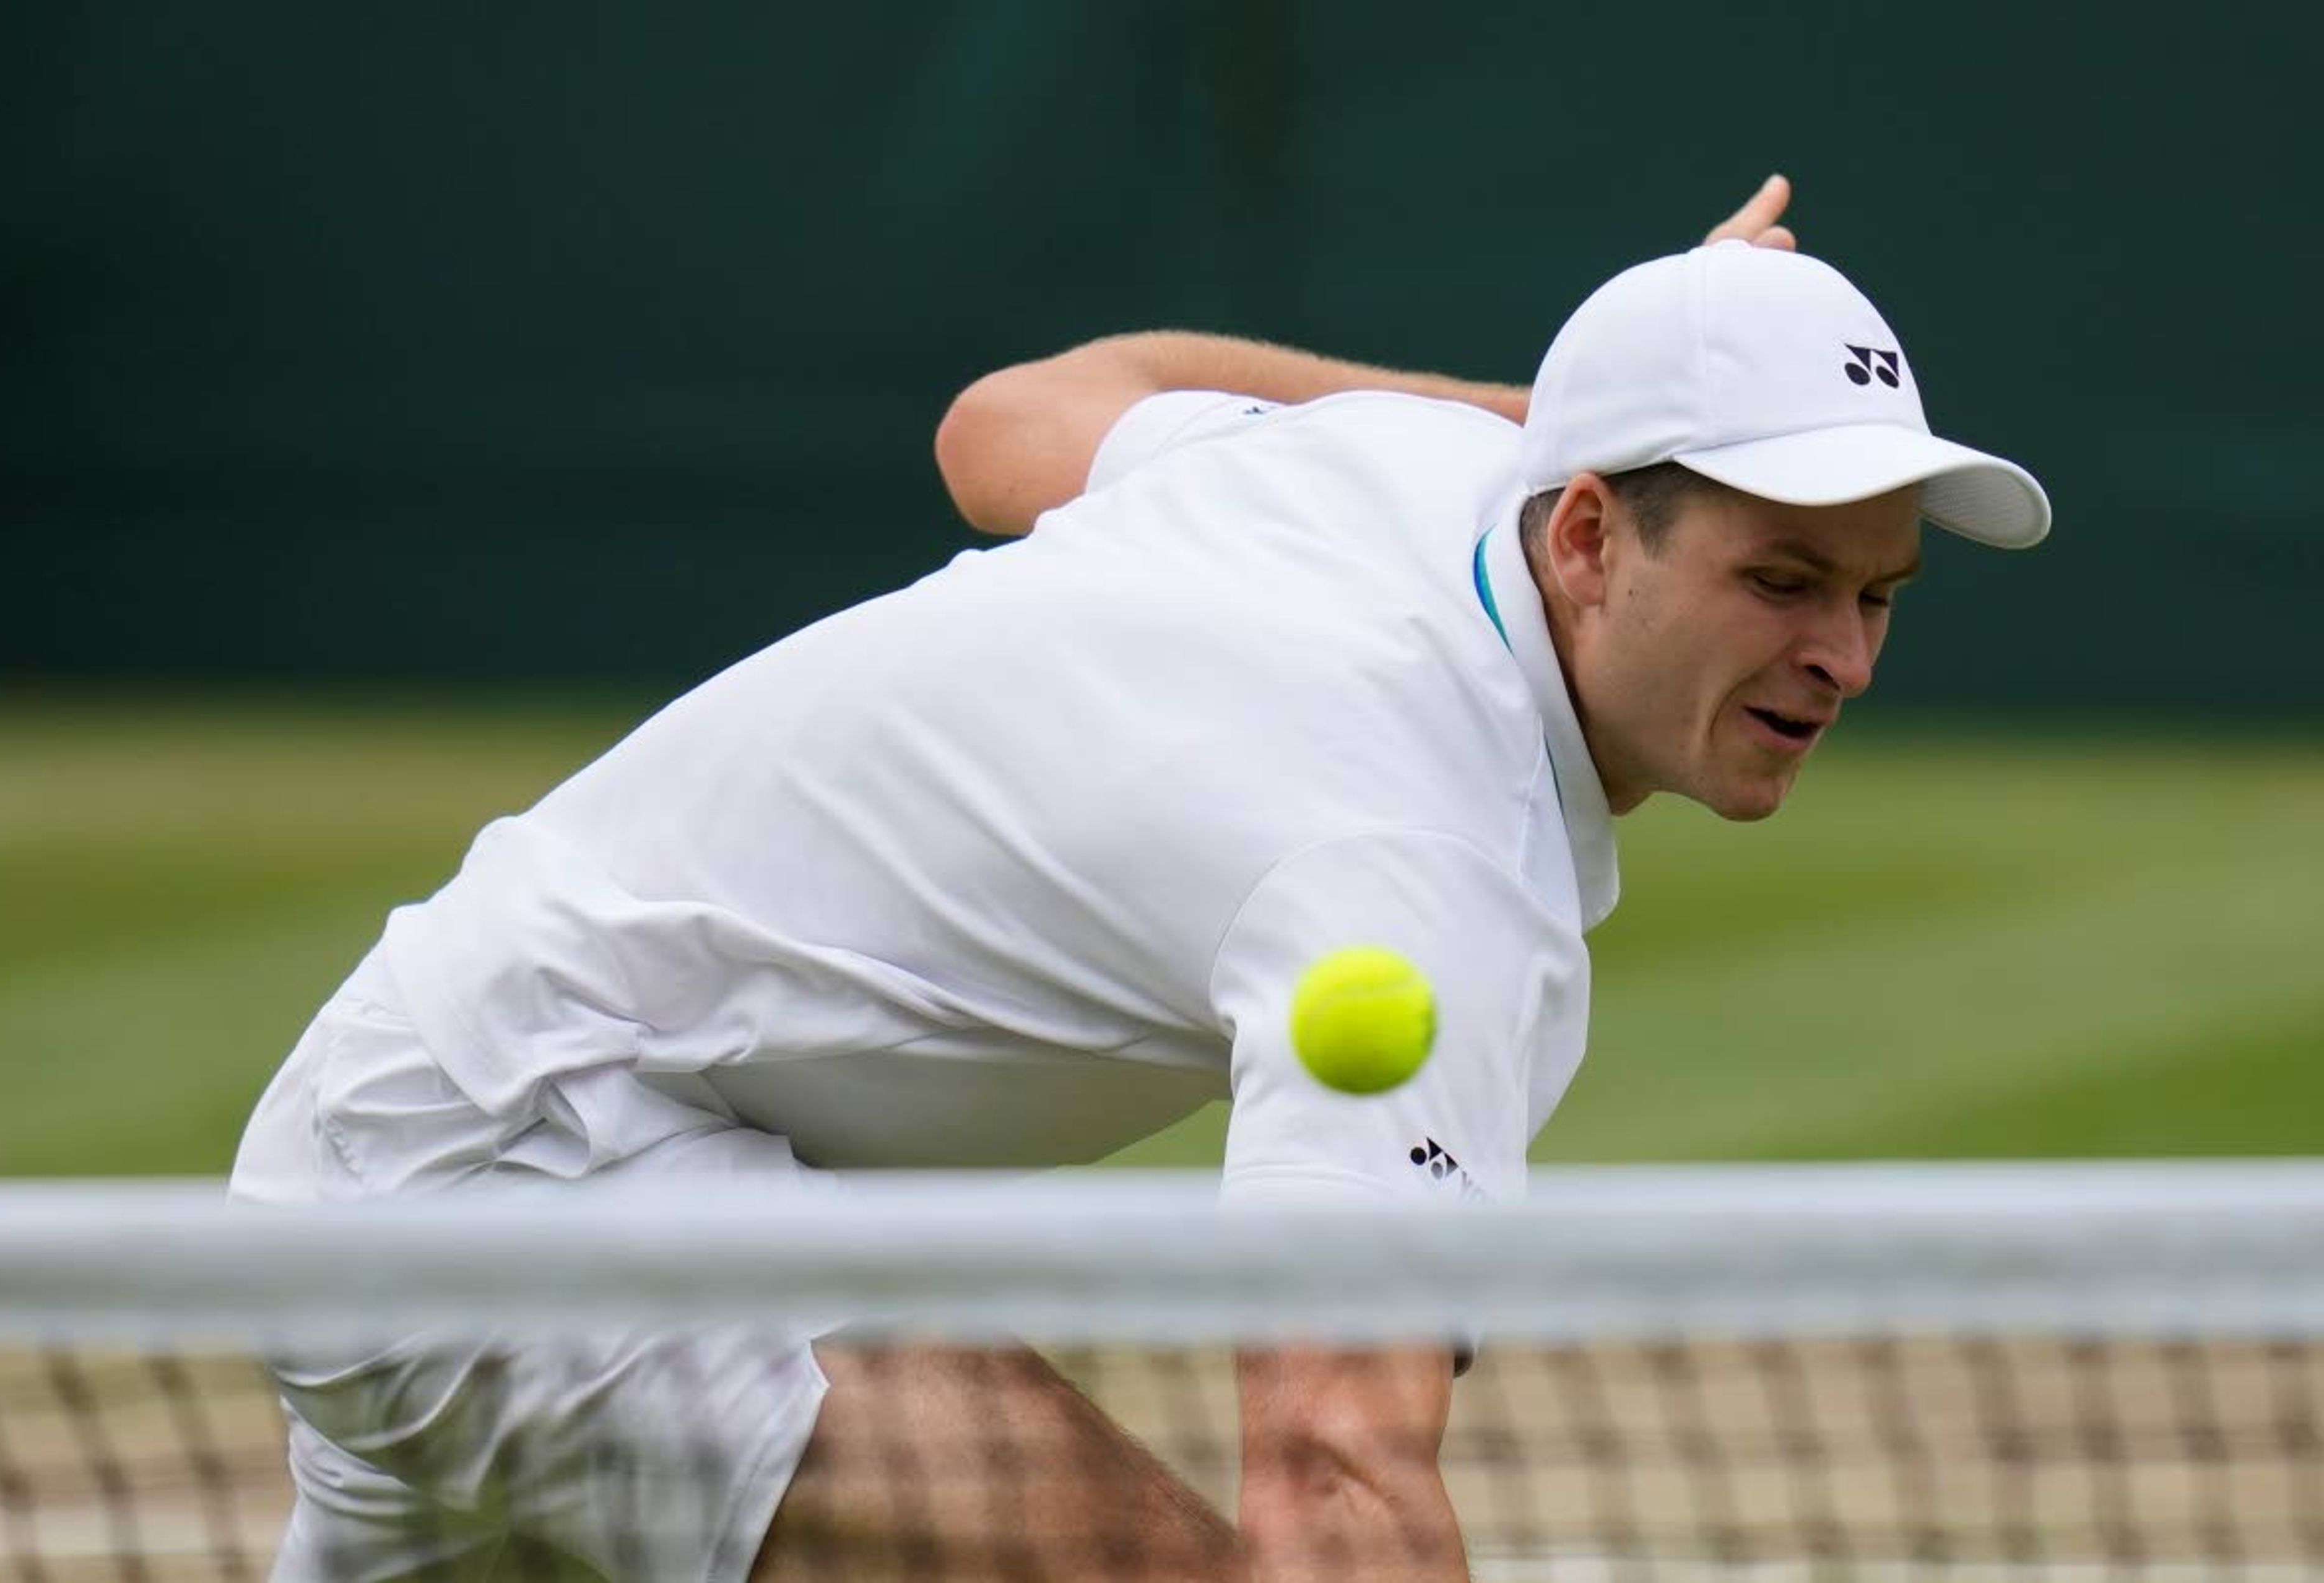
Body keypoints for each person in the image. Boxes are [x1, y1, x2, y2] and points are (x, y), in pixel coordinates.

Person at [230, 175, 2050, 1581]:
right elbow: (1338, 1468)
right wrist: (1568, 420)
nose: (1846, 660)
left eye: (1876, 595)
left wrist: (1534, 418)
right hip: (529, 1182)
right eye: (1784, 580)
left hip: (465, 1088)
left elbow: (1013, 419)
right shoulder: (1414, 860)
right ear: (1587, 533)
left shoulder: (1405, 473)